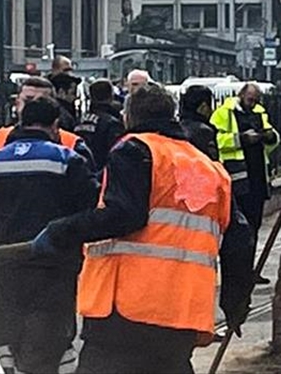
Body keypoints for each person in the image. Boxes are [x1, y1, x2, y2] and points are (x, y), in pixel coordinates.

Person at [35, 84, 254, 374]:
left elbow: (124, 215)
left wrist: (61, 231)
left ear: (128, 117)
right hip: (182, 312)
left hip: (126, 310)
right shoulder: (210, 169)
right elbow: (239, 239)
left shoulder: (136, 150)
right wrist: (236, 301)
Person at [0, 98, 99, 374]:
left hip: (3, 265)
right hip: (52, 266)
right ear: (54, 126)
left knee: (7, 341)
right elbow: (90, 208)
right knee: (51, 341)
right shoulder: (65, 159)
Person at [210, 83, 279, 282]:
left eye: (256, 100)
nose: (253, 104)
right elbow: (217, 140)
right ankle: (236, 273)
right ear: (241, 95)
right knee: (237, 230)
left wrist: (268, 136)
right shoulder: (223, 113)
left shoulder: (259, 112)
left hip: (257, 178)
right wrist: (241, 139)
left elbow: (274, 138)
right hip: (237, 180)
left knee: (254, 226)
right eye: (250, 100)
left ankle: (249, 271)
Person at [0, 77, 94, 167]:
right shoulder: (1, 136)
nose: (33, 107)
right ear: (17, 103)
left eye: (41, 101)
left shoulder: (72, 143)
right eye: (28, 101)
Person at [74, 80, 125, 172]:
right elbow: (118, 155)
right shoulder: (112, 123)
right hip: (102, 172)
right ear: (111, 96)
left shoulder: (80, 121)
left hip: (82, 170)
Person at [179, 85, 219, 161]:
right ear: (203, 106)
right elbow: (211, 163)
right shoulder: (204, 132)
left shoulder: (177, 128)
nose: (212, 110)